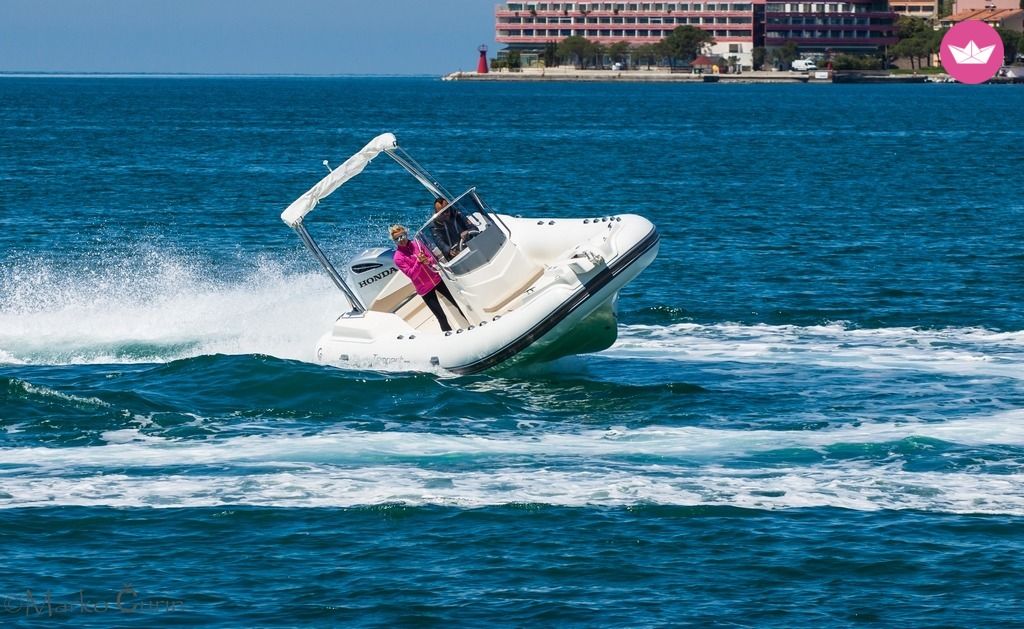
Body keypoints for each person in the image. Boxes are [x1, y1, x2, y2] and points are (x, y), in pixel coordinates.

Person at [389, 224, 466, 333]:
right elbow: (411, 274)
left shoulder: (418, 244)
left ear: (406, 234)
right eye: (397, 239)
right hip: (425, 290)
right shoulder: (398, 258)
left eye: (402, 236)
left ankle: (471, 322)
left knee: (458, 304)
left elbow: (432, 259)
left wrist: (427, 261)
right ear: (394, 241)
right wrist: (419, 262)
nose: (400, 240)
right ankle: (449, 337)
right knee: (441, 317)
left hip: (437, 280)